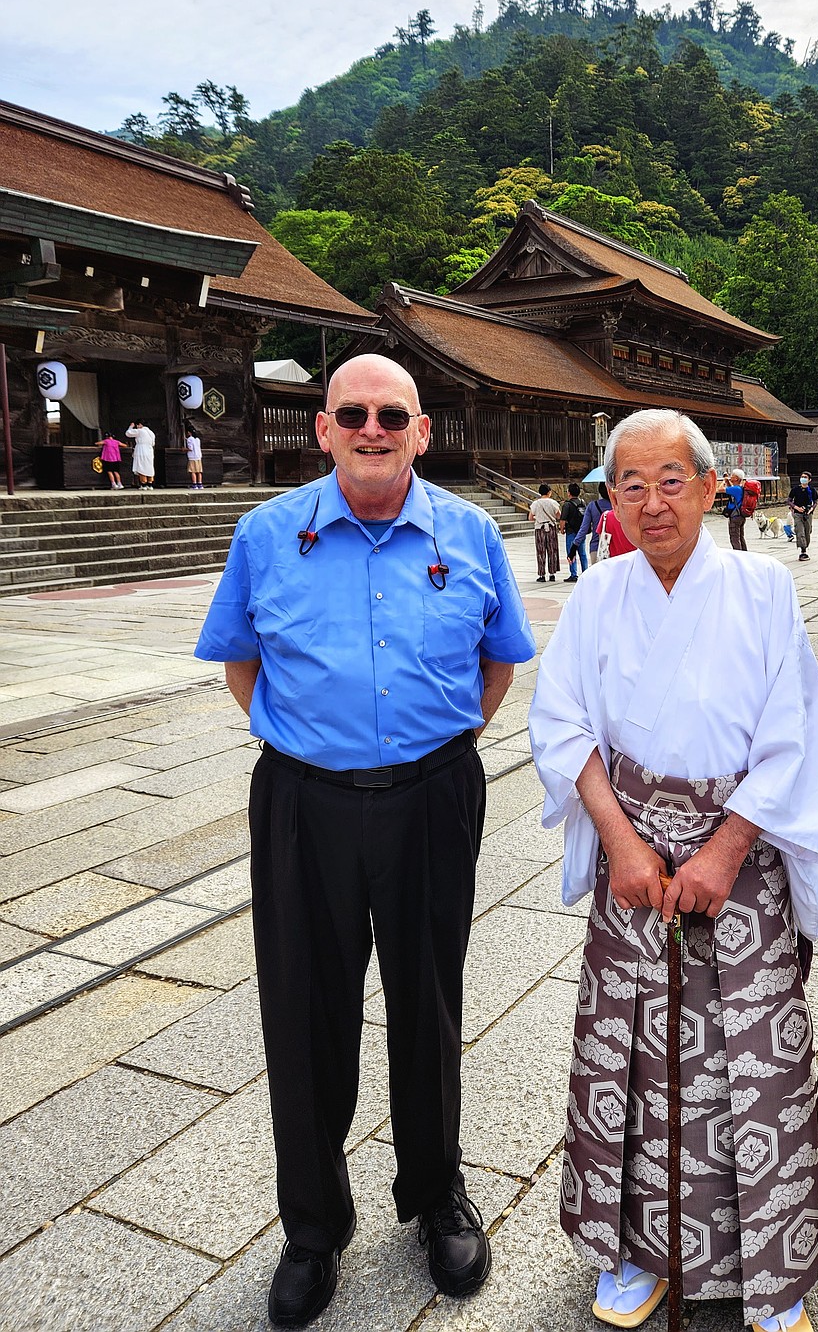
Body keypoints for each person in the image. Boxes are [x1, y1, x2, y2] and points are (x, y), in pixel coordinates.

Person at [195, 354, 536, 1327]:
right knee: (305, 1008)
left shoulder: (470, 533)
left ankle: (435, 1193)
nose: (373, 425)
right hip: (304, 800)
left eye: (393, 412)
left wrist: (438, 746)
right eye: (353, 411)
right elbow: (240, 663)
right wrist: (311, 746)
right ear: (323, 427)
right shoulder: (268, 533)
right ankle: (313, 1224)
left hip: (433, 791)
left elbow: (498, 664)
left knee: (428, 997)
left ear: (422, 430)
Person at [528, 409, 818, 1332]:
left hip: (735, 864)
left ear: (711, 487)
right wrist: (621, 844)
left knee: (752, 1062)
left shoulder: (762, 590)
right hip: (633, 866)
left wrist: (725, 849)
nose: (652, 502)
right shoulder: (595, 596)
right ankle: (638, 1249)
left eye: (672, 481)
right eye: (631, 484)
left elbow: (792, 737)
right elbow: (561, 725)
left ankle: (769, 1270)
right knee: (629, 1057)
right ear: (609, 498)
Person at [529, 483, 562, 582]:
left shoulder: (535, 504)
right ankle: (552, 574)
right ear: (549, 492)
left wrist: (538, 517)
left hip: (540, 528)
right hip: (551, 528)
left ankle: (541, 575)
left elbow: (530, 517)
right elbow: (559, 516)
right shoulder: (553, 503)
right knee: (552, 550)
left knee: (540, 551)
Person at [576, 482, 613, 565]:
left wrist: (575, 544)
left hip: (596, 546)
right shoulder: (618, 505)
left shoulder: (592, 506)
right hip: (617, 546)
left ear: (599, 491)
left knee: (598, 576)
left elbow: (584, 528)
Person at [787, 470, 818, 561]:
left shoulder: (812, 490)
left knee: (807, 531)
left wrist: (811, 509)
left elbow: (815, 502)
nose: (803, 479)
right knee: (799, 531)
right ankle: (803, 551)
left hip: (808, 514)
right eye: (802, 477)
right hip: (797, 513)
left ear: (809, 480)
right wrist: (795, 507)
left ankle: (805, 546)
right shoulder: (795, 489)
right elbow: (789, 500)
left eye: (805, 477)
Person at [562, 482, 587, 582]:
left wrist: (562, 529)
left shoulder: (567, 505)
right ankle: (585, 572)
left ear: (569, 493)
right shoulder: (582, 502)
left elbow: (563, 519)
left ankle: (573, 574)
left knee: (571, 553)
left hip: (571, 531)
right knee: (583, 553)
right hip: (581, 531)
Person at [125, 420, 155, 487]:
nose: (137, 427)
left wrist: (131, 427)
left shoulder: (141, 431)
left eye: (137, 425)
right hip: (149, 450)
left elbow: (128, 433)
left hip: (141, 449)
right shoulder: (151, 433)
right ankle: (150, 484)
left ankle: (143, 483)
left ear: (140, 424)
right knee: (149, 466)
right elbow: (153, 443)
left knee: (141, 466)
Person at [724, 467, 747, 551]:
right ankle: (745, 555)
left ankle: (738, 556)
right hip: (740, 516)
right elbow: (731, 490)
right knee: (740, 538)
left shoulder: (735, 489)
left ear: (736, 478)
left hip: (735, 517)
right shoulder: (739, 488)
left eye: (732, 476)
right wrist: (727, 481)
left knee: (734, 539)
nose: (731, 477)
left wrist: (723, 481)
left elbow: (720, 489)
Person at [185, 421, 203, 490]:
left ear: (189, 432)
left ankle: (194, 484)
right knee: (199, 471)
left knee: (193, 471)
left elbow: (190, 448)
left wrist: (184, 449)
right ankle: (200, 484)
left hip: (192, 457)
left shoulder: (189, 439)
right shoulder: (197, 439)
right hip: (198, 456)